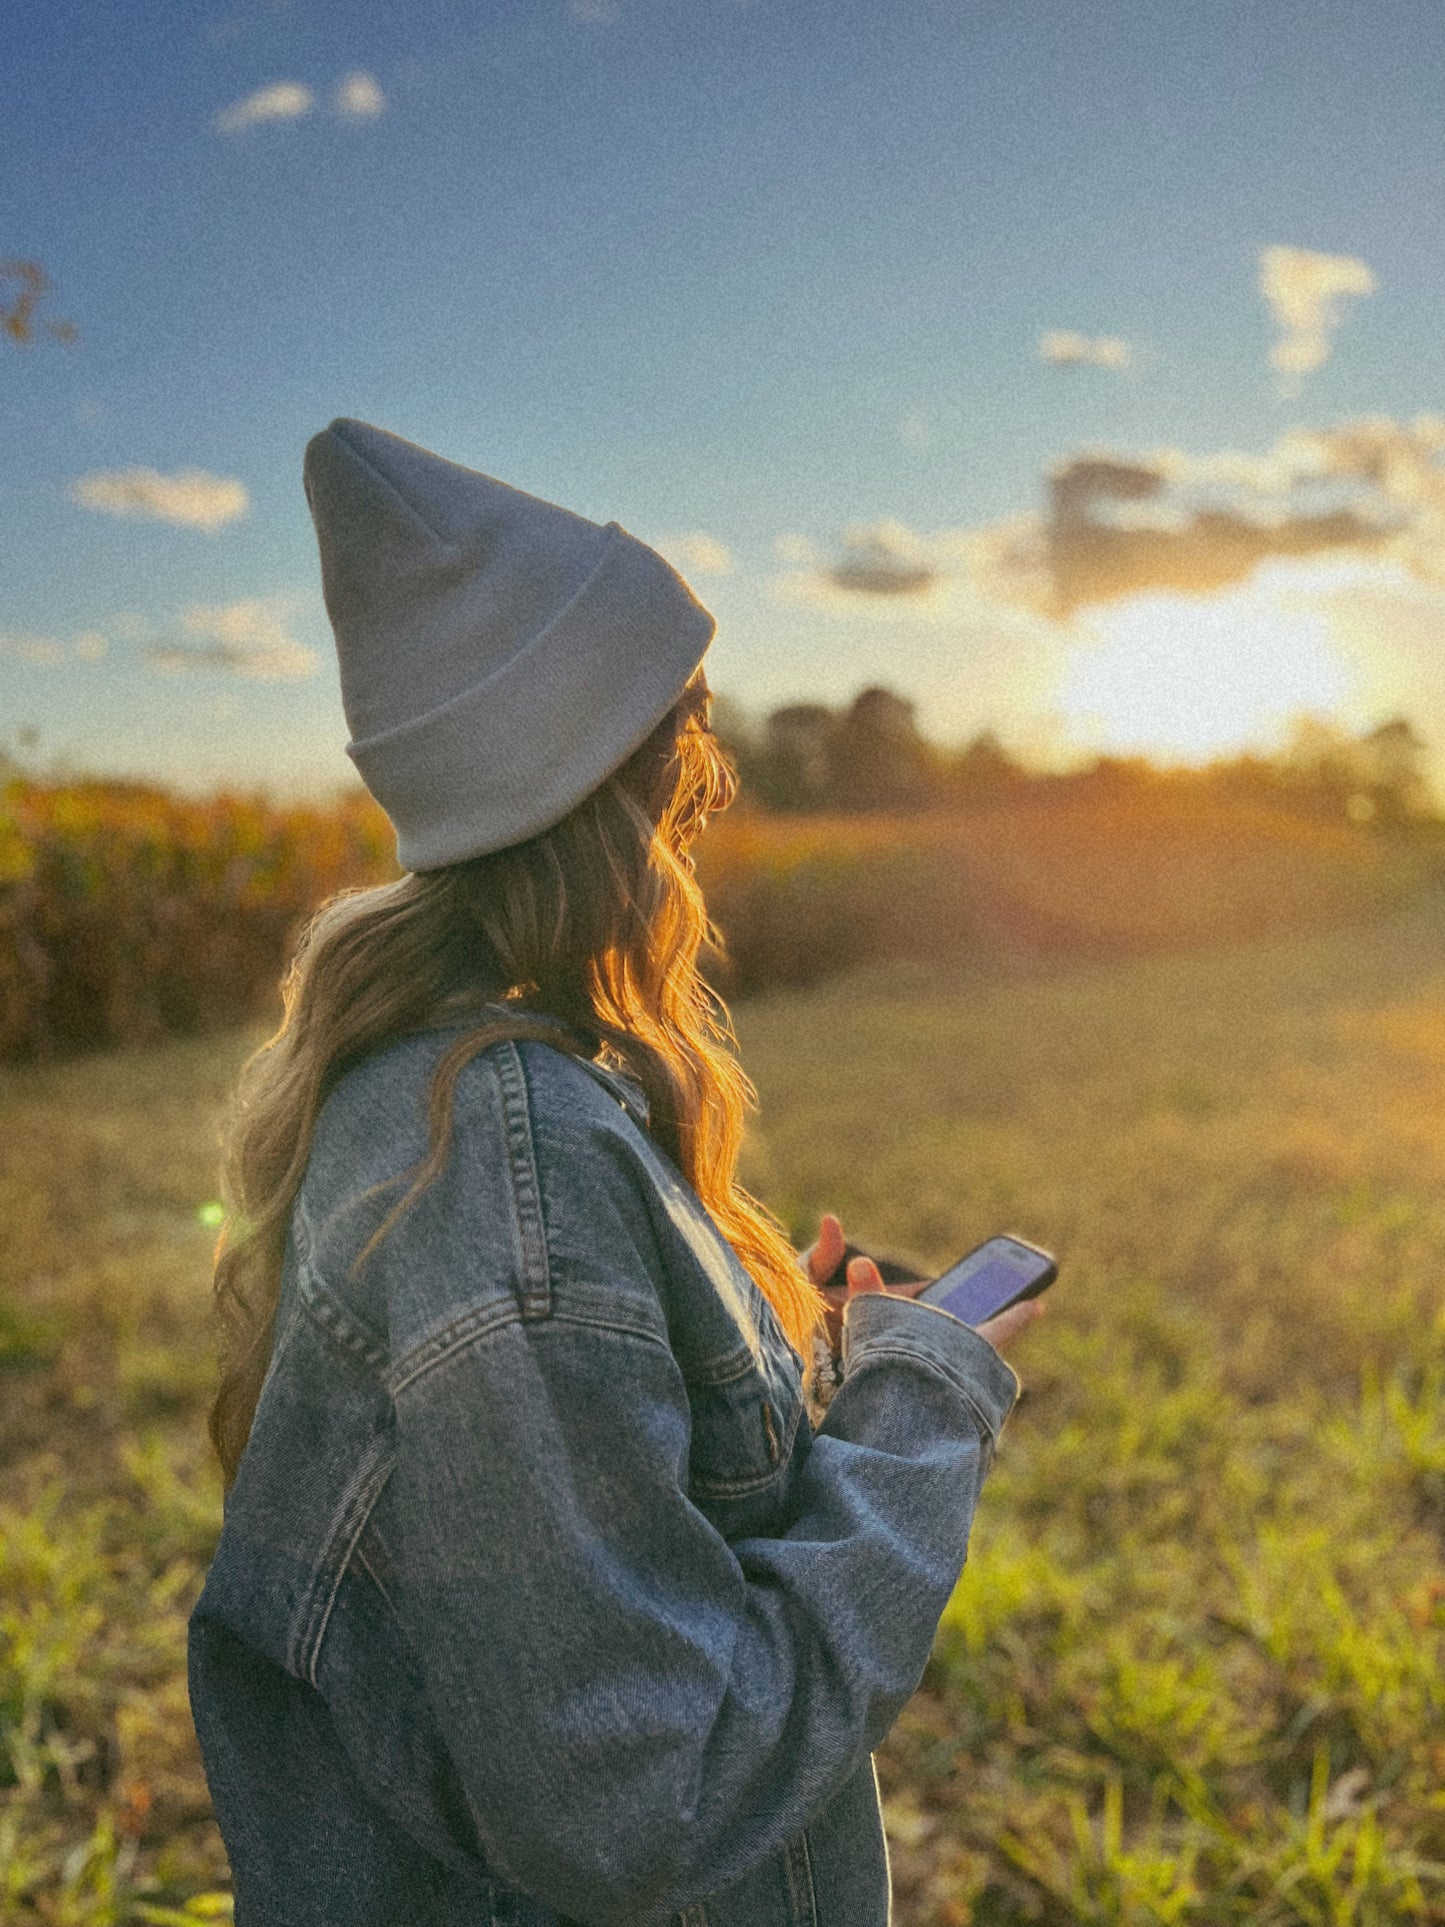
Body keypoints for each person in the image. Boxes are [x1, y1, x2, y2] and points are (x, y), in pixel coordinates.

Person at [187, 418, 1042, 1927]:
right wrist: (920, 1406)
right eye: (682, 740)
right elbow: (646, 1798)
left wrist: (796, 1366)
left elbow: (620, 1522)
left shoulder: (446, 1090)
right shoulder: (503, 1171)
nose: (703, 783)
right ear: (624, 779)